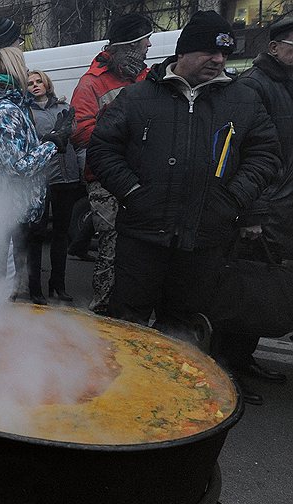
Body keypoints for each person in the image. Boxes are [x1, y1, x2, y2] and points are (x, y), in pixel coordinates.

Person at [88, 11, 280, 345]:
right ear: (183, 51)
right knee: (126, 331)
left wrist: (233, 199)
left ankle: (179, 395)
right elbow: (102, 149)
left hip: (204, 241)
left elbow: (264, 154)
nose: (218, 60)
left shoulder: (243, 99)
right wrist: (132, 191)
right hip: (142, 238)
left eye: (224, 53)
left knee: (181, 335)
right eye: (210, 51)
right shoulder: (136, 98)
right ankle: (125, 393)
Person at [211, 16, 293, 394]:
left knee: (266, 287)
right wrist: (252, 211)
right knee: (245, 287)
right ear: (274, 48)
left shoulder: (286, 84)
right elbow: (242, 154)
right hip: (265, 204)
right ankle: (225, 369)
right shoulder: (254, 86)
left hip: (283, 203)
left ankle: (243, 358)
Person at [71, 13, 153, 314]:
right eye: (144, 42)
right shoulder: (90, 83)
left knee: (140, 245)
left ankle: (132, 308)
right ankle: (103, 309)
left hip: (142, 176)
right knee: (112, 242)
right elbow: (80, 132)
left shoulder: (147, 77)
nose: (148, 47)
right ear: (129, 46)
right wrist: (128, 137)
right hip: (104, 178)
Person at [0, 47, 68, 298]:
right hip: (10, 212)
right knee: (4, 291)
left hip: (5, 209)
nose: (27, 72)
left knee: (4, 288)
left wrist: (43, 139)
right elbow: (19, 167)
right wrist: (53, 143)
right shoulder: (5, 111)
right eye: (23, 67)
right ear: (13, 72)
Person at [27, 70, 83, 303]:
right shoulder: (26, 111)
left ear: (47, 83)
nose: (35, 85)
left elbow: (75, 135)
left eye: (39, 81)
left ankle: (57, 284)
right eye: (30, 83)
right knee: (36, 234)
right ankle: (34, 287)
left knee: (61, 233)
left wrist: (69, 128)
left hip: (67, 177)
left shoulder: (62, 108)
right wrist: (51, 137)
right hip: (41, 177)